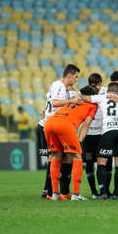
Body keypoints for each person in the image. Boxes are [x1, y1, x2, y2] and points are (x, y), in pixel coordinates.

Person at [44, 85, 98, 201]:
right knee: (77, 155)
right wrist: (79, 141)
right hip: (65, 125)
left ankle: (54, 194)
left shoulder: (74, 99)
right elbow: (86, 125)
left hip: (49, 123)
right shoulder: (93, 105)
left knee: (56, 155)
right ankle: (76, 194)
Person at [38, 64, 81, 199]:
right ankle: (49, 190)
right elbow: (55, 102)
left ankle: (56, 191)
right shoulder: (59, 85)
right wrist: (71, 101)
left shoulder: (62, 87)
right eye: (75, 77)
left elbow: (52, 103)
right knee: (54, 158)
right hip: (49, 125)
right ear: (69, 75)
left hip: (54, 124)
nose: (76, 80)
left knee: (58, 157)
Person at [81, 82, 118, 199]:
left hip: (109, 130)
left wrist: (77, 94)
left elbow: (86, 98)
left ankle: (103, 192)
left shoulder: (103, 97)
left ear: (107, 91)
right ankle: (116, 193)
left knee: (101, 161)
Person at [82, 73, 107, 199]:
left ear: (101, 84)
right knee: (89, 163)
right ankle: (93, 191)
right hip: (89, 133)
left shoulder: (106, 92)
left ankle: (105, 190)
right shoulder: (85, 92)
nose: (95, 89)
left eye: (97, 85)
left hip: (102, 133)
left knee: (104, 162)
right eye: (93, 86)